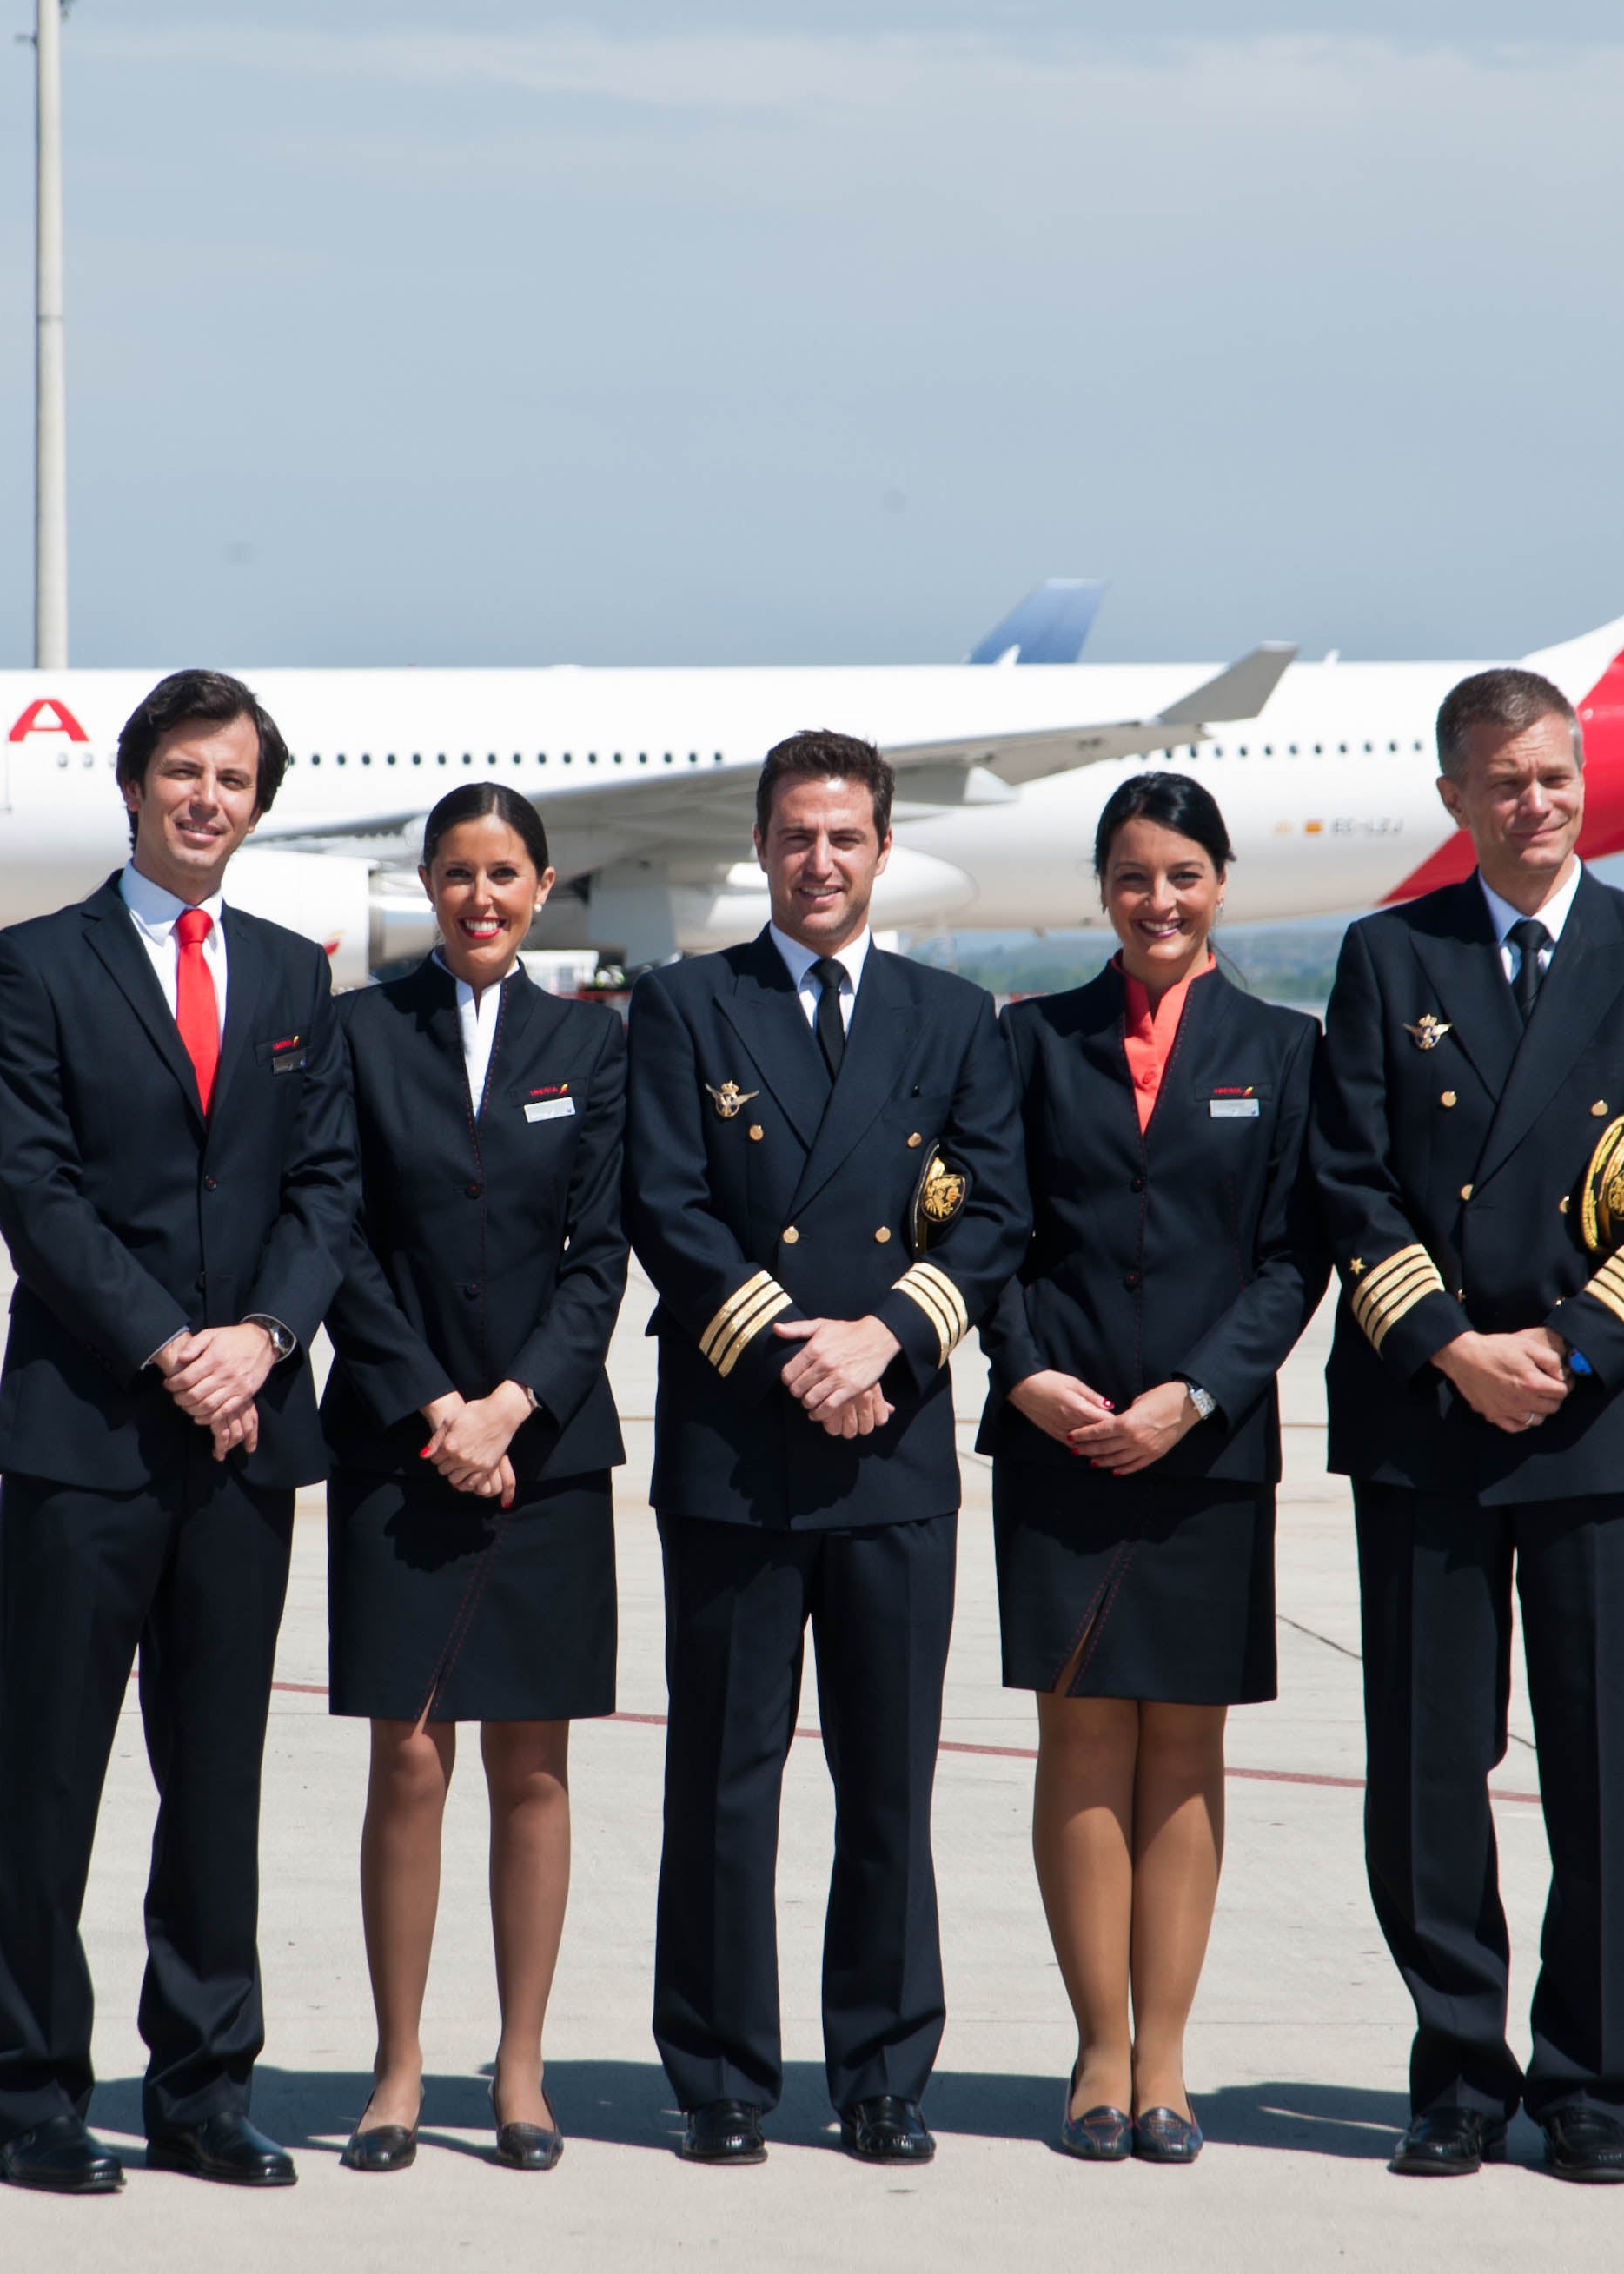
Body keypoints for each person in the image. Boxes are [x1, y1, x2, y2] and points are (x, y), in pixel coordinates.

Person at [1306, 666, 1624, 2184]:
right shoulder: (1386, 956)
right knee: (1428, 1770)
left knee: (1606, 1767)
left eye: (1554, 776)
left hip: (1594, 1421)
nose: (1532, 802)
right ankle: (1454, 2070)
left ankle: (1594, 2084)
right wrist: (1449, 1345)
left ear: (1586, 779)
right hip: (1429, 1417)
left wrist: (1562, 1351)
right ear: (1452, 798)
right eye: (1500, 782)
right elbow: (1347, 1177)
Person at [0, 669, 358, 2197]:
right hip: (85, 1435)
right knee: (48, 1780)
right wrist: (167, 1345)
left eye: (234, 779)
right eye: (182, 772)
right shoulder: (37, 967)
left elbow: (326, 1190)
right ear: (131, 789)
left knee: (218, 1783)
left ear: (258, 805)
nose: (206, 799)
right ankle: (31, 2094)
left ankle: (200, 2088)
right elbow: (36, 1195)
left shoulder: (288, 976)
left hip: (243, 1441)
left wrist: (262, 1338)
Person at [621, 729, 1027, 2169]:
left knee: (885, 1777)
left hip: (891, 1452)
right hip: (740, 1447)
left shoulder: (952, 1016)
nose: (819, 861)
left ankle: (880, 2071)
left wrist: (889, 1345)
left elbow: (990, 1219)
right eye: (795, 835)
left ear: (881, 846)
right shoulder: (682, 1007)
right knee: (723, 1778)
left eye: (845, 836)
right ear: (760, 845)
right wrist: (805, 1352)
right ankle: (721, 2073)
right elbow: (667, 1208)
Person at [979, 771, 1322, 2165]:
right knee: (1078, 1734)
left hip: (1205, 1446)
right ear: (1101, 890)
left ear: (1220, 882)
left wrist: (1197, 1395)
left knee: (1181, 1746)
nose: (1157, 900)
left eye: (1182, 874)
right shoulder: (1028, 1039)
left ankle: (1166, 2058)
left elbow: (1299, 1255)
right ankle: (1097, 2051)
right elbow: (986, 1230)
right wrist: (1024, 1370)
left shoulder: (1282, 1047)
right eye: (1132, 876)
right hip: (1056, 1434)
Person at [320, 783, 631, 2177]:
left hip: (545, 1446)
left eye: (505, 874)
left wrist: (510, 1409)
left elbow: (599, 1254)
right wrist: (439, 1407)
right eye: (457, 875)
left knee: (533, 1768)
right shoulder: (356, 1033)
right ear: (426, 886)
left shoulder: (589, 1042)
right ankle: (396, 2067)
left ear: (543, 884)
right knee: (407, 1755)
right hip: (401, 1436)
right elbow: (340, 1235)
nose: (481, 898)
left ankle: (518, 2067)